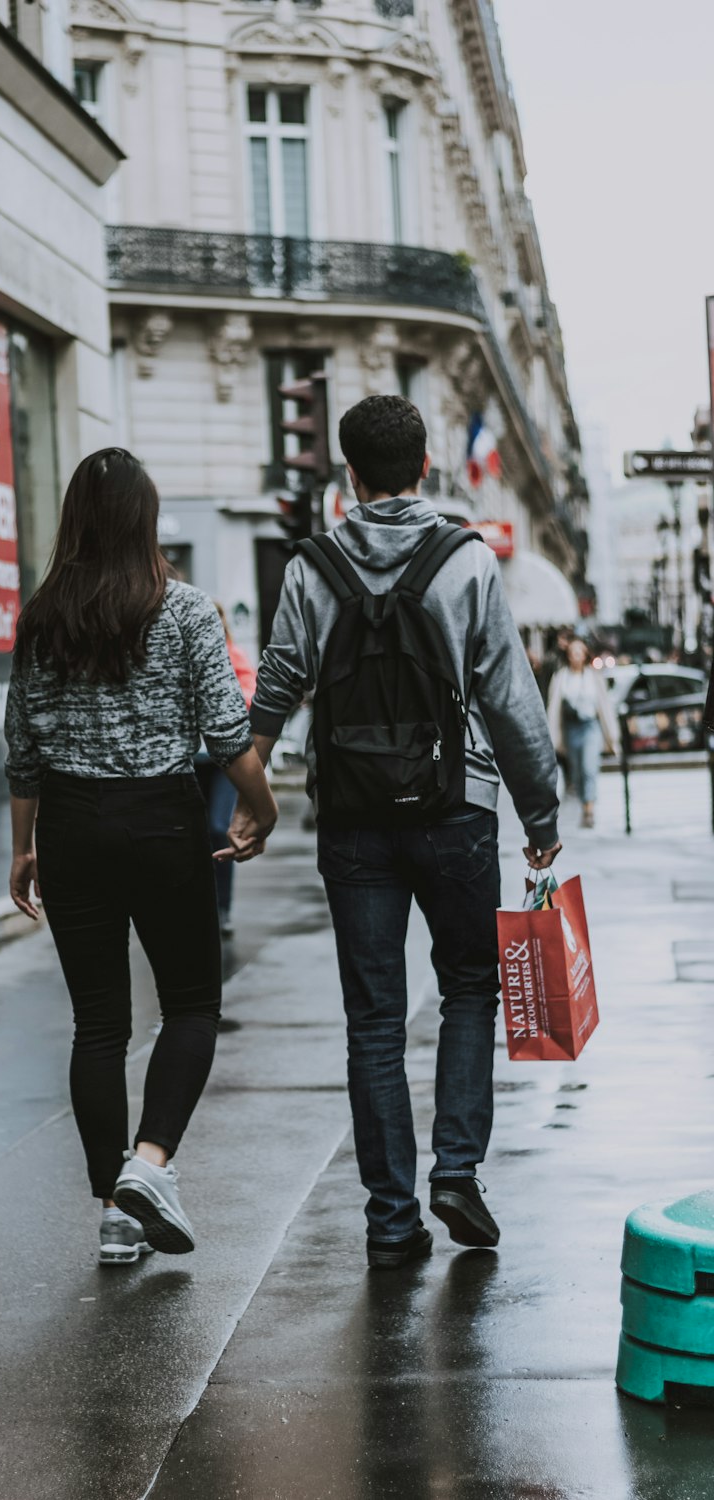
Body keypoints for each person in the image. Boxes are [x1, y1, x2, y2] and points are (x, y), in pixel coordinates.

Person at [231, 395, 561, 1270]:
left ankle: (389, 1219)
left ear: (348, 475)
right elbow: (509, 697)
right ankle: (457, 1169)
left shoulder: (312, 567)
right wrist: (542, 814)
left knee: (373, 1019)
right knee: (467, 989)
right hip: (456, 811)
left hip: (352, 823)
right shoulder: (466, 560)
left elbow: (278, 681)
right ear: (424, 468)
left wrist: (249, 784)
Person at [5, 449, 277, 1265]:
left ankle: (115, 1213)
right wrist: (261, 808)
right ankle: (150, 1165)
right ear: (146, 521)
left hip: (73, 826)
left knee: (99, 1024)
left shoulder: (41, 616)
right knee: (191, 1004)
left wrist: (24, 845)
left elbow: (21, 748)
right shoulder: (187, 609)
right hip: (161, 817)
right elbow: (228, 734)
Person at [195, 603, 257, 939]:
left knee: (220, 828)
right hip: (189, 762)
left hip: (224, 762)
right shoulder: (182, 655)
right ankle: (197, 908)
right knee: (192, 834)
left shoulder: (234, 657)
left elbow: (249, 695)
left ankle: (222, 909)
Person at [547, 637, 618, 829]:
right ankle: (583, 800)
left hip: (590, 726)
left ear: (585, 654)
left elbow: (605, 705)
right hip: (571, 727)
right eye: (573, 652)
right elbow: (554, 707)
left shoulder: (594, 676)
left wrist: (611, 733)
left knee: (589, 767)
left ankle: (589, 809)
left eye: (580, 651)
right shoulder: (561, 676)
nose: (576, 655)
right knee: (577, 770)